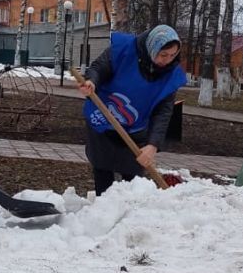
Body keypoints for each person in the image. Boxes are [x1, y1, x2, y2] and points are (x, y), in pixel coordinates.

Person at [75, 25, 186, 195]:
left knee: (134, 178)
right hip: (104, 117)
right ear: (151, 48)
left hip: (136, 127)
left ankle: (130, 215)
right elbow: (99, 68)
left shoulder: (170, 76)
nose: (167, 60)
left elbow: (163, 112)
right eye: (163, 55)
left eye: (172, 55)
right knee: (103, 169)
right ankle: (103, 211)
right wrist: (91, 82)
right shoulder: (124, 51)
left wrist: (152, 145)